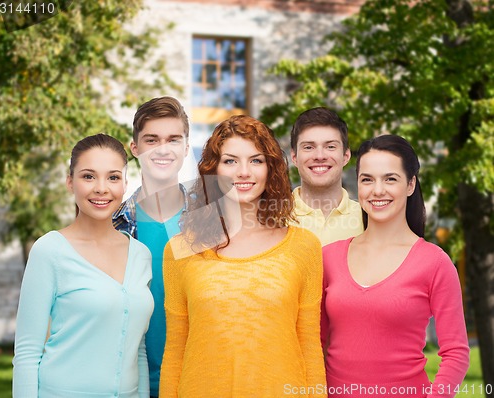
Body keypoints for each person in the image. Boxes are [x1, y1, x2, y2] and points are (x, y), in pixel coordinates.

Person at [160, 115, 326, 397]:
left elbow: (309, 346)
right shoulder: (180, 249)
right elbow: (176, 348)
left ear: (271, 169)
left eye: (256, 160)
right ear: (213, 170)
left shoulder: (304, 247)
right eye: (230, 161)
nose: (243, 172)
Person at [321, 135, 469, 397]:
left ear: (410, 184)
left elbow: (456, 353)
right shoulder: (328, 258)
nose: (377, 190)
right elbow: (314, 343)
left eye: (390, 179)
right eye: (367, 179)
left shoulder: (435, 263)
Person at [13, 134, 154, 397]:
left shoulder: (141, 255)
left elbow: (139, 349)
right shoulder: (50, 251)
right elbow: (27, 352)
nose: (101, 188)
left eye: (112, 177)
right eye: (88, 176)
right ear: (70, 182)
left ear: (124, 184)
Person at [113, 96, 190, 398]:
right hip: (131, 385)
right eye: (151, 139)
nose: (162, 149)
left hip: (199, 379)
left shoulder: (214, 222)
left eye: (173, 139)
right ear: (135, 149)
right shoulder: (113, 225)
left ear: (185, 148)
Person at [290, 107, 363, 245]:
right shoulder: (273, 218)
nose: (319, 156)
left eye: (330, 147)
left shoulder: (368, 219)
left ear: (346, 156)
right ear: (294, 157)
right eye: (308, 147)